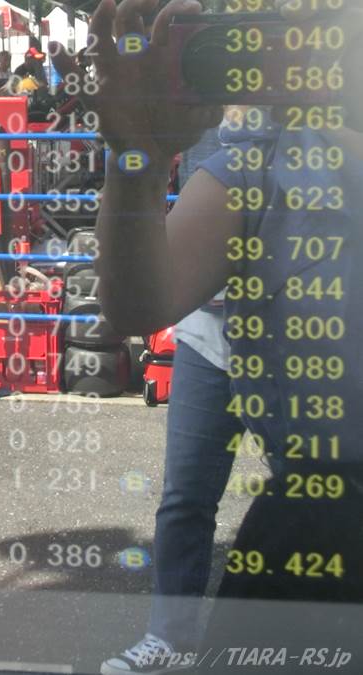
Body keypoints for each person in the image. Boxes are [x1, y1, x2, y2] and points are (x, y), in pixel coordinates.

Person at [51, 0, 363, 671]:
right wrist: (135, 160)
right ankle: (170, 635)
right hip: (314, 513)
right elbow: (138, 302)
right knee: (186, 496)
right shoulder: (259, 161)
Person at [101, 126, 246, 675]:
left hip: (291, 336)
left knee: (314, 494)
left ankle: (305, 638)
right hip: (206, 335)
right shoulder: (199, 118)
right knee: (185, 497)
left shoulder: (312, 120)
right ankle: (170, 636)